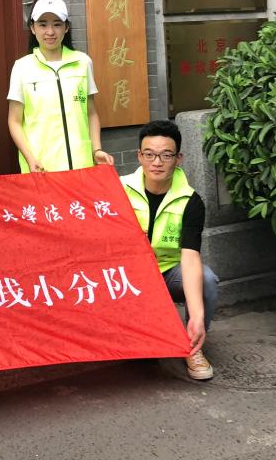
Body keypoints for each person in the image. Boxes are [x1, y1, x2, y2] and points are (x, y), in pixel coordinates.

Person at [120, 120, 219, 381]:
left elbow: (190, 256)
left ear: (178, 159)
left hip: (167, 273)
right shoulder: (119, 190)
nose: (157, 162)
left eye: (166, 155)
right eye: (149, 154)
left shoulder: (191, 201)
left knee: (207, 279)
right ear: (139, 156)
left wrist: (196, 316)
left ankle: (191, 345)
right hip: (130, 277)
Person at [7, 0, 114, 172]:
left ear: (66, 27)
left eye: (57, 24)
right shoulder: (22, 67)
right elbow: (14, 121)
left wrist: (96, 150)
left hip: (81, 164)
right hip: (41, 168)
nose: (50, 32)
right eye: (43, 25)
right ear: (32, 28)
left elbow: (91, 112)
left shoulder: (83, 62)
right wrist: (30, 158)